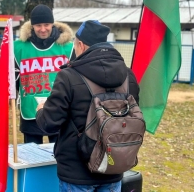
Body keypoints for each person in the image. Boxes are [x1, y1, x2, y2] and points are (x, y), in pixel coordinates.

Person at [35, 20, 140, 192]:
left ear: (81, 45)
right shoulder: (128, 75)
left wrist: (41, 111)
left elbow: (49, 123)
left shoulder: (68, 76)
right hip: (114, 164)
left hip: (76, 172)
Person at [14, 4, 75, 144]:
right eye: (38, 25)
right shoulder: (18, 48)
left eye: (46, 24)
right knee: (30, 157)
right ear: (32, 26)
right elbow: (12, 78)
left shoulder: (67, 47)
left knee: (59, 157)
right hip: (30, 111)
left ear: (52, 24)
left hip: (58, 110)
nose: (42, 29)